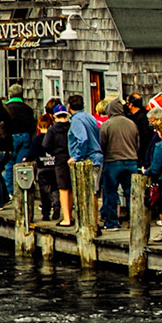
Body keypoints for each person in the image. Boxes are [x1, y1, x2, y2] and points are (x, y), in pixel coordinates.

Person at [99, 98, 140, 230]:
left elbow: (102, 144)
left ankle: (112, 222)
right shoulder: (132, 124)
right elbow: (137, 144)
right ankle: (134, 222)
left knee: (111, 192)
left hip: (112, 162)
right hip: (131, 161)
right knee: (131, 193)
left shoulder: (107, 125)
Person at [66, 93, 103, 227]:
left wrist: (76, 156)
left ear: (69, 106)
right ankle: (93, 221)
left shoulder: (76, 120)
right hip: (97, 156)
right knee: (94, 191)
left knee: (88, 192)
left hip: (88, 159)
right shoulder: (90, 117)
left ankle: (90, 223)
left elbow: (83, 139)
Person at [33, 111, 64, 219]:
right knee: (55, 188)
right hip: (54, 166)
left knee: (44, 191)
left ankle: (46, 212)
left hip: (42, 167)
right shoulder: (54, 136)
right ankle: (56, 205)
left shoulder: (37, 139)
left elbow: (32, 152)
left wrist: (27, 158)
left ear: (38, 126)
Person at [5, 84, 36, 168]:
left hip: (11, 137)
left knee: (9, 164)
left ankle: (9, 177)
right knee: (21, 165)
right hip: (26, 136)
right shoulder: (28, 108)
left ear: (9, 95)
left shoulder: (6, 108)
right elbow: (32, 125)